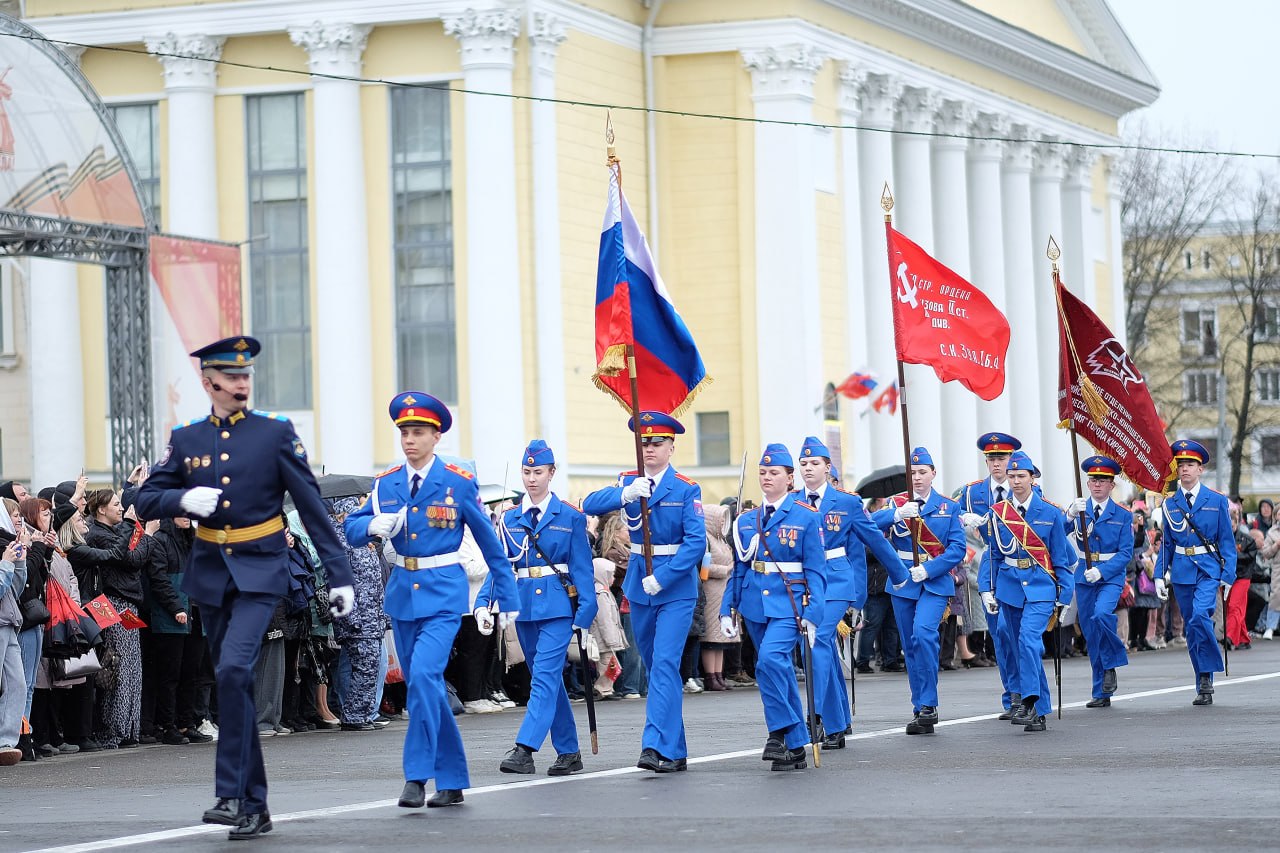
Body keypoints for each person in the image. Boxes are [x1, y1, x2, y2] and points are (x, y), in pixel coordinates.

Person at [136, 335, 355, 839]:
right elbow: (146, 497)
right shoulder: (188, 438)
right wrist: (184, 500)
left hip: (261, 572)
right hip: (211, 575)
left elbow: (313, 509)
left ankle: (231, 793)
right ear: (208, 382)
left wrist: (339, 575)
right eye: (231, 376)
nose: (241, 383)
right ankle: (254, 803)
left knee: (234, 669)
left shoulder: (274, 434)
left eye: (246, 375)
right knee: (230, 678)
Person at [344, 391, 518, 810]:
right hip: (403, 593)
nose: (409, 439)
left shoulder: (457, 482)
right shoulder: (386, 484)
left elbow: (491, 544)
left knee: (422, 677)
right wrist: (372, 523)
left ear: (436, 436)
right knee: (430, 688)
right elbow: (350, 529)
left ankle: (417, 776)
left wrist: (506, 593)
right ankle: (454, 777)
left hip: (443, 592)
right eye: (404, 431)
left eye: (418, 432)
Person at [582, 411, 706, 774]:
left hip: (675, 586)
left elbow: (696, 541)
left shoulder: (686, 487)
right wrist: (624, 492)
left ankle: (654, 745)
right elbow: (588, 503)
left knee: (666, 664)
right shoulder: (628, 480)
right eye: (644, 443)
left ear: (671, 446)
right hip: (639, 582)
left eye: (656, 443)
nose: (649, 449)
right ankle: (676, 748)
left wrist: (665, 577)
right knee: (657, 668)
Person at [482, 440, 597, 777]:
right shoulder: (509, 518)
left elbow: (581, 567)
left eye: (538, 472)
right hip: (524, 606)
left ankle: (525, 748)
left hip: (559, 606)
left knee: (544, 678)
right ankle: (569, 751)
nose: (531, 478)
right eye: (527, 471)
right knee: (547, 681)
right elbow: (500, 566)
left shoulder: (570, 517)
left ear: (552, 473)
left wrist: (586, 612)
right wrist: (484, 603)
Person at [720, 443, 826, 771]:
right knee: (769, 671)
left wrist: (813, 614)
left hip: (790, 602)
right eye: (763, 473)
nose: (767, 477)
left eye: (774, 472)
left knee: (769, 660)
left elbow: (816, 571)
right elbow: (739, 568)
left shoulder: (805, 517)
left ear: (789, 478)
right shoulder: (746, 520)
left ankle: (778, 732)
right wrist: (727, 608)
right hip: (754, 603)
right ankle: (794, 744)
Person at [795, 436, 903, 748]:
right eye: (803, 464)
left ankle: (814, 716)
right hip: (807, 582)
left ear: (828, 468)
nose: (808, 469)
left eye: (814, 463)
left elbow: (874, 540)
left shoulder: (847, 502)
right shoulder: (793, 501)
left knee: (816, 642)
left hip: (836, 579)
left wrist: (900, 574)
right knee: (822, 648)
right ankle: (838, 722)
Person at [979, 451, 1076, 732]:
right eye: (1012, 476)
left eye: (1022, 476)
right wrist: (987, 588)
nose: (1016, 481)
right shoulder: (999, 514)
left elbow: (1061, 558)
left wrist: (1064, 595)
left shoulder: (1049, 513)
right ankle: (1040, 710)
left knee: (1028, 641)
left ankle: (1029, 699)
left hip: (1041, 587)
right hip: (1009, 588)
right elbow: (994, 556)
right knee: (1015, 642)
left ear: (1033, 478)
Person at [871, 447, 961, 735]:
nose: (918, 477)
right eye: (912, 473)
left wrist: (931, 569)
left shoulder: (948, 507)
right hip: (903, 581)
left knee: (924, 634)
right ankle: (920, 706)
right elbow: (867, 527)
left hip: (933, 581)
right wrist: (895, 515)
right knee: (909, 645)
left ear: (933, 474)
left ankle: (929, 703)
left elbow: (958, 548)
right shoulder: (896, 504)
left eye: (923, 472)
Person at [1152, 440, 1236, 706]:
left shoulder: (1217, 500)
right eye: (1181, 465)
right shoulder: (1170, 504)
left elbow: (1227, 542)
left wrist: (1229, 574)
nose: (1185, 469)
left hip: (1209, 569)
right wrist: (1158, 574)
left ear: (1200, 469)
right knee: (1192, 625)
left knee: (1201, 616)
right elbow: (1166, 543)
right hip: (1182, 571)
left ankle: (1207, 675)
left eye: (1190, 464)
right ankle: (1202, 677)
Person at [957, 432, 1022, 715]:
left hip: (1017, 566)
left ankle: (1024, 690)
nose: (997, 464)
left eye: (1002, 458)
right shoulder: (973, 492)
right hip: (988, 566)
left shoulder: (1025, 487)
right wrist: (962, 518)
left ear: (1012, 460)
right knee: (998, 633)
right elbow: (949, 514)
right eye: (992, 458)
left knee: (1014, 631)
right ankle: (1011, 694)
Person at [1063, 455, 1132, 707]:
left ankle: (1112, 662)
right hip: (1083, 573)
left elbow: (1126, 553)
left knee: (1102, 615)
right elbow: (1058, 534)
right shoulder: (1080, 509)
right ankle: (1100, 691)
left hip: (1109, 576)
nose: (1097, 485)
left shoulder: (1123, 515)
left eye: (1103, 480)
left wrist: (1102, 572)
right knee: (1091, 633)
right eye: (1093, 480)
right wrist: (1069, 515)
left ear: (1112, 485)